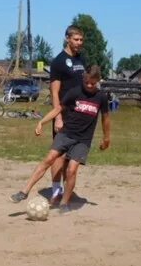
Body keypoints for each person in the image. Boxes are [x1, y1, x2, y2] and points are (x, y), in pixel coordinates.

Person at [9, 66, 111, 213]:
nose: (89, 86)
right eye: (87, 82)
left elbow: (106, 119)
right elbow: (58, 109)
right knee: (49, 159)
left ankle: (64, 202)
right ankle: (24, 191)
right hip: (66, 134)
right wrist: (41, 122)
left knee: (72, 169)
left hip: (83, 140)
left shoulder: (101, 97)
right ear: (84, 78)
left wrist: (107, 138)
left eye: (93, 83)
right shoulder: (75, 92)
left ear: (98, 81)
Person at [48, 25, 86, 205]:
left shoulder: (81, 60)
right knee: (59, 154)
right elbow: (55, 92)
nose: (79, 43)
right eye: (76, 39)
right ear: (67, 39)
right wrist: (58, 116)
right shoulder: (58, 62)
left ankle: (66, 191)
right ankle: (56, 191)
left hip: (80, 115)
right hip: (64, 113)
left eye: (81, 40)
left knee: (73, 157)